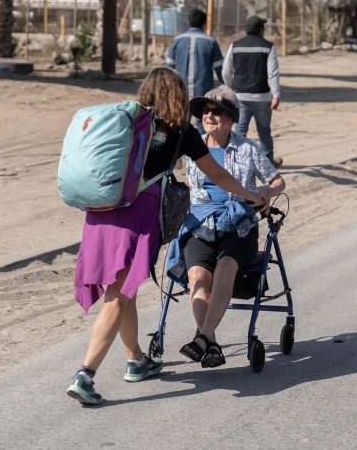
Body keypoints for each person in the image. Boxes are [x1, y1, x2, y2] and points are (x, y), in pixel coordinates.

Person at [67, 68, 265, 406]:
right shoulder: (180, 130)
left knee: (123, 288)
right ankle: (85, 374)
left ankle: (137, 360)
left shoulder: (128, 120)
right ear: (179, 95)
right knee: (117, 293)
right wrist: (250, 194)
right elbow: (216, 173)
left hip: (100, 213)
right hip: (136, 215)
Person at [176, 85, 286, 368]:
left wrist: (265, 194)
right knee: (198, 276)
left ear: (231, 119)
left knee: (225, 268)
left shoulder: (247, 149)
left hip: (239, 226)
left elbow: (278, 181)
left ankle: (202, 338)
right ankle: (209, 342)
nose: (208, 116)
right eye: (205, 111)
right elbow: (189, 181)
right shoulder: (192, 146)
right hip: (201, 225)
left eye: (216, 111)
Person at [223, 15, 283, 167]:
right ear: (261, 29)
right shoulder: (268, 47)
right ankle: (268, 164)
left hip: (240, 97)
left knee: (240, 131)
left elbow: (226, 71)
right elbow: (273, 73)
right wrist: (276, 94)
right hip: (262, 97)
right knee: (264, 131)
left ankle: (236, 163)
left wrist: (232, 88)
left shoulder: (235, 46)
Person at [165, 9, 224, 132]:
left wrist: (168, 89)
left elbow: (169, 68)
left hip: (181, 90)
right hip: (203, 92)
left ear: (188, 22)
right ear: (205, 24)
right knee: (203, 124)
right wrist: (226, 87)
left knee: (180, 123)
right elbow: (220, 70)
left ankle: (180, 149)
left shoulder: (177, 40)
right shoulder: (211, 41)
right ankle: (201, 149)